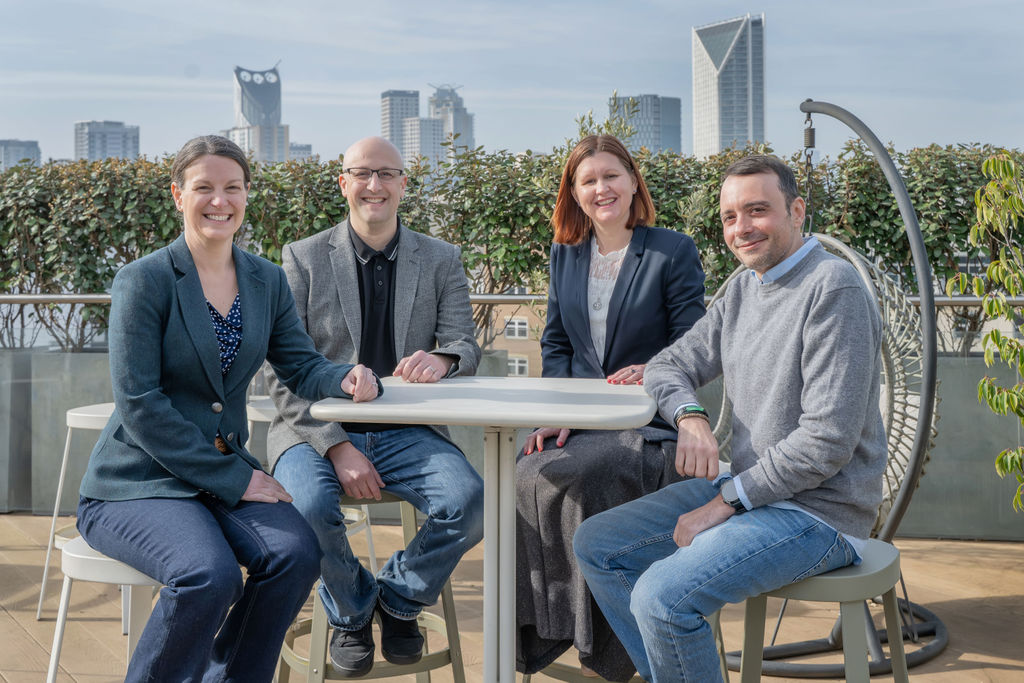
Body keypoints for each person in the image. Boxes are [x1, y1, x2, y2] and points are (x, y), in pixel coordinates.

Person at [76, 135, 380, 683]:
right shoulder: (143, 280)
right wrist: (237, 478)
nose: (220, 201)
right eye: (204, 188)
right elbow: (140, 405)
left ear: (246, 195)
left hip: (219, 479)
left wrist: (344, 376)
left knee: (295, 555)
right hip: (138, 482)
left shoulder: (266, 279)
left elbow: (300, 364)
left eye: (233, 188)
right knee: (209, 575)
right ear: (178, 195)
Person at [573, 155, 887, 682]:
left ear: (796, 211)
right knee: (598, 545)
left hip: (820, 513)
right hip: (751, 492)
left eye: (757, 210)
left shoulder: (833, 288)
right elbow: (668, 365)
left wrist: (724, 503)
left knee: (661, 598)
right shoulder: (743, 288)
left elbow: (825, 443)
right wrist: (691, 416)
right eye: (729, 217)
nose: (741, 228)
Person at [265, 136, 484, 678]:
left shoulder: (441, 258)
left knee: (473, 502)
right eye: (362, 173)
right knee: (306, 507)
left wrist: (443, 359)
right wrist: (337, 447)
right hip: (313, 429)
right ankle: (351, 610)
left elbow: (465, 342)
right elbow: (279, 370)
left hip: (408, 430)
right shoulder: (302, 257)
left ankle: (398, 599)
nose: (374, 185)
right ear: (344, 183)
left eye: (387, 173)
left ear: (403, 184)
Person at [516, 134, 706, 681]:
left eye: (611, 176)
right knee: (525, 472)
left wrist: (653, 369)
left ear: (632, 181)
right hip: (581, 419)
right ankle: (553, 628)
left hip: (650, 423)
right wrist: (557, 409)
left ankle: (610, 645)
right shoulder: (565, 254)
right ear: (574, 193)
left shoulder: (672, 250)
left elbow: (694, 340)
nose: (601, 188)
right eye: (588, 180)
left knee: (584, 476)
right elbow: (556, 343)